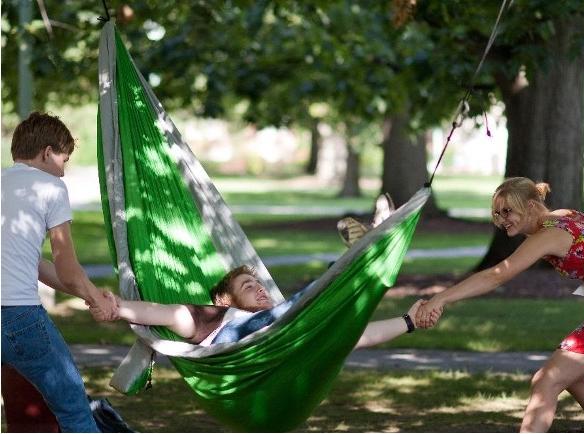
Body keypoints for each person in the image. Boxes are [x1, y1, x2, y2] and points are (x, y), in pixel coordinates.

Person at [414, 177, 584, 433]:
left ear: (530, 206)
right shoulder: (567, 216)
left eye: (508, 211)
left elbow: (496, 275)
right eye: (497, 213)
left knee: (546, 381)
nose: (502, 219)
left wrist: (441, 298)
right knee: (566, 376)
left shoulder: (548, 235)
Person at [1, 112, 118, 432]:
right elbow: (67, 268)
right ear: (47, 153)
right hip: (19, 317)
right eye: (64, 160)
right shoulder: (50, 187)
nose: (63, 172)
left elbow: (35, 265)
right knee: (74, 410)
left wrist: (89, 294)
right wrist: (99, 299)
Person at [97, 265, 428, 348]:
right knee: (302, 305)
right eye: (247, 286)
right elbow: (166, 313)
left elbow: (352, 336)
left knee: (330, 328)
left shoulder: (288, 326)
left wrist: (409, 321)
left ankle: (356, 264)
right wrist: (119, 307)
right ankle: (353, 265)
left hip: (280, 341)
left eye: (259, 284)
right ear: (224, 300)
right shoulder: (212, 318)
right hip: (240, 346)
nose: (258, 288)